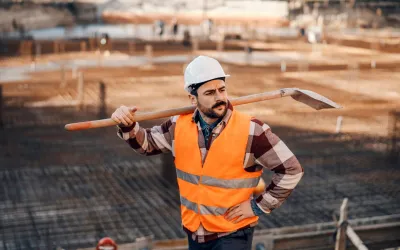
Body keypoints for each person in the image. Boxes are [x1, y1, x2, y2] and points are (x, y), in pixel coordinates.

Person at [111, 56, 304, 250]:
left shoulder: (252, 131)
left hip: (233, 234)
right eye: (210, 93)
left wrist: (257, 206)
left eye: (222, 90)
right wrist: (127, 126)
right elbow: (146, 144)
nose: (219, 97)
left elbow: (292, 169)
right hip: (195, 232)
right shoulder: (178, 126)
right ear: (192, 98)